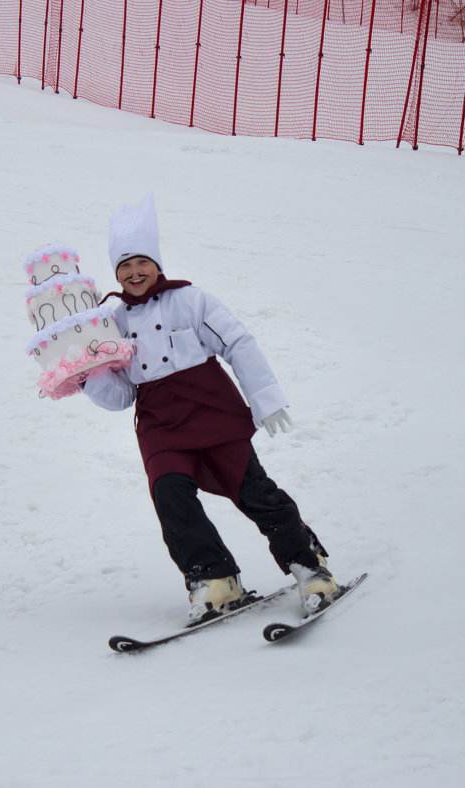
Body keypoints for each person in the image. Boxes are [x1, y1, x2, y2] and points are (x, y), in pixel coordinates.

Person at [82, 193, 339, 625]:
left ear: (157, 263)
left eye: (141, 262)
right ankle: (214, 578)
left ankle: (309, 567)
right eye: (123, 267)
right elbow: (123, 393)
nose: (133, 272)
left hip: (212, 411)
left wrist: (265, 399)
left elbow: (238, 342)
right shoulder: (114, 322)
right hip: (160, 423)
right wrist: (87, 375)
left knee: (254, 493)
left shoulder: (191, 300)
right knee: (170, 496)